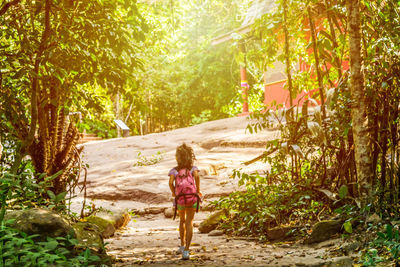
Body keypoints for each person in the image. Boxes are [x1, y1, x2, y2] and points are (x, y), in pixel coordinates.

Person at [168, 143, 201, 260]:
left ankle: (182, 245)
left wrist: (174, 192)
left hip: (180, 200)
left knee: (182, 220)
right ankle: (186, 250)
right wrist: (198, 190)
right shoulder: (193, 169)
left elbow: (170, 182)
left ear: (178, 157)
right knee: (189, 222)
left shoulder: (174, 170)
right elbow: (197, 177)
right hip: (192, 198)